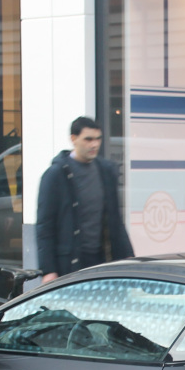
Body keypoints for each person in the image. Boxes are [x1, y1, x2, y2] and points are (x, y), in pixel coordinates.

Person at [36, 116, 134, 283]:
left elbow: (115, 221)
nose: (94, 144)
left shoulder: (106, 171)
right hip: (70, 262)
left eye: (98, 139)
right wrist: (48, 270)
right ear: (73, 139)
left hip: (102, 258)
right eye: (88, 139)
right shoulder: (56, 174)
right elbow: (45, 227)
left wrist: (128, 257)